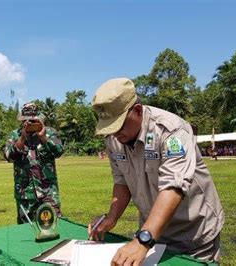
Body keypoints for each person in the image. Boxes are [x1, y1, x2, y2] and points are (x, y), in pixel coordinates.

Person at [88, 78, 224, 264]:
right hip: (153, 234)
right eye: (110, 128)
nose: (115, 134)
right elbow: (122, 182)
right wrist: (111, 217)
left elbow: (173, 188)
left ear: (137, 111)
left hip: (193, 235)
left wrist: (143, 240)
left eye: (119, 125)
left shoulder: (171, 131)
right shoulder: (114, 140)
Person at [4, 103, 64, 224]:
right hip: (25, 194)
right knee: (25, 230)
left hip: (48, 192)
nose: (30, 123)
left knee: (54, 226)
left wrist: (43, 137)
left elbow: (59, 152)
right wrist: (22, 138)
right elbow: (8, 156)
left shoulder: (50, 132)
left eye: (33, 120)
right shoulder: (15, 134)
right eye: (27, 120)